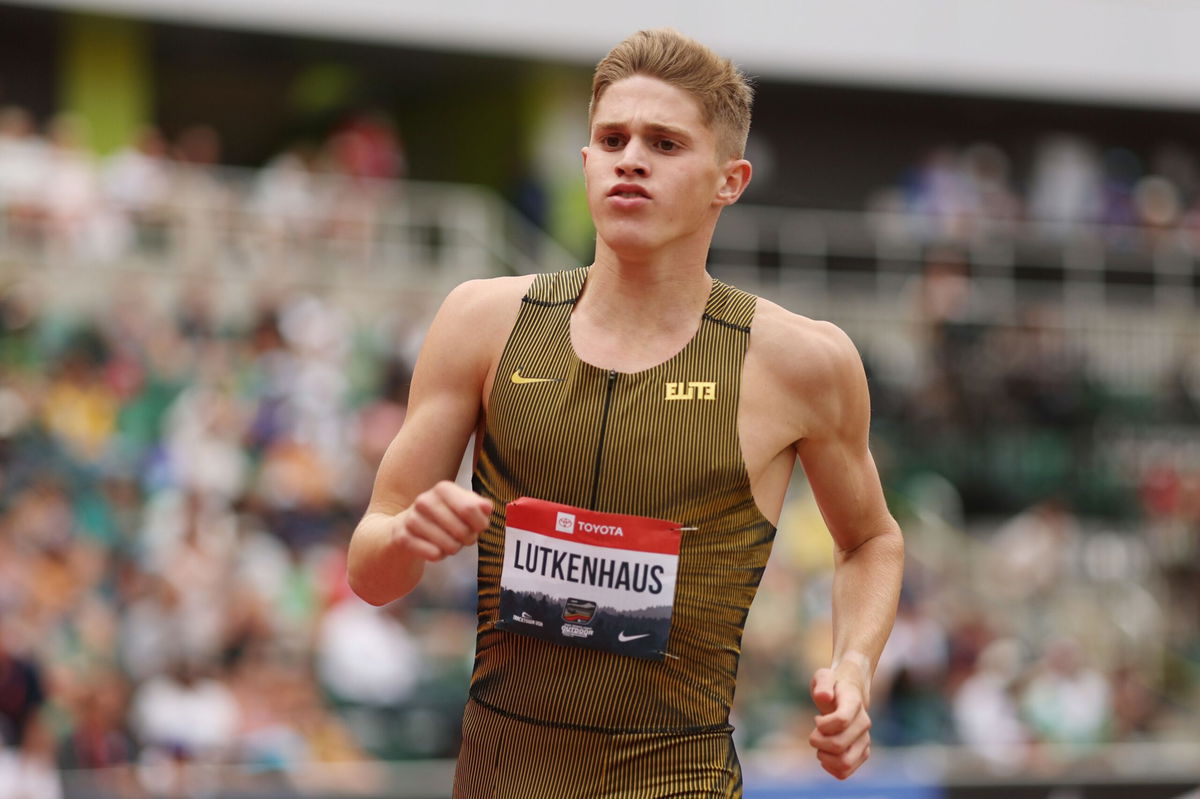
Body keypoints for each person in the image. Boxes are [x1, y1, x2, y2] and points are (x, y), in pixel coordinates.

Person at [347, 28, 903, 797]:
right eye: (612, 138)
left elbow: (870, 539)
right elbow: (370, 570)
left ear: (729, 180)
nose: (630, 158)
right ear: (586, 164)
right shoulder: (481, 322)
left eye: (665, 143)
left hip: (677, 774)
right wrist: (408, 537)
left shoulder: (801, 361)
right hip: (500, 774)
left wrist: (853, 666)